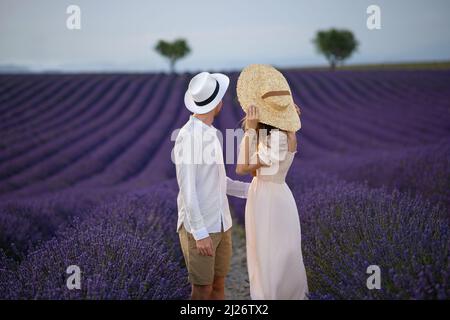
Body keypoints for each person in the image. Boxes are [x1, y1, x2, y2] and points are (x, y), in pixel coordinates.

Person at [174, 71, 250, 300]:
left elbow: (218, 182)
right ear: (217, 103)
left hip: (222, 222)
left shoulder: (212, 134)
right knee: (202, 290)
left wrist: (251, 190)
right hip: (201, 228)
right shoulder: (188, 137)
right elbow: (188, 190)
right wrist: (199, 233)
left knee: (218, 286)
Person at [235, 64, 308, 299]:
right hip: (272, 194)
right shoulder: (286, 133)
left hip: (269, 200)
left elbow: (242, 167)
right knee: (273, 253)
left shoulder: (276, 139)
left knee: (269, 255)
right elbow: (255, 173)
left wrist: (249, 131)